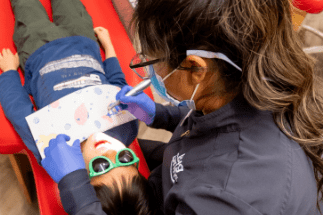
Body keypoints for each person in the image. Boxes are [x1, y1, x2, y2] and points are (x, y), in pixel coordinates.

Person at [44, 0, 323, 214]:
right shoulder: (240, 79)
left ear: (195, 69)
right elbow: (209, 126)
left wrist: (75, 186)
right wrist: (159, 115)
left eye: (151, 61)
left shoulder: (227, 200)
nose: (151, 69)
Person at [0, 0, 159, 214]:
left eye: (100, 166)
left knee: (25, 5)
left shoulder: (55, 152)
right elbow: (116, 82)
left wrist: (9, 73)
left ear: (80, 178)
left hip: (38, 49)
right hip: (84, 41)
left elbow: (19, 111)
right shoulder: (126, 128)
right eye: (124, 159)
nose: (108, 151)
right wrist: (108, 49)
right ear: (134, 162)